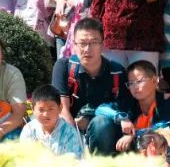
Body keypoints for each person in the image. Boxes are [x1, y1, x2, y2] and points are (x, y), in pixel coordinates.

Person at [50, 18, 128, 155]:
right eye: (82, 43)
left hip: (105, 132)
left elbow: (124, 111)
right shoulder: (63, 67)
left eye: (93, 43)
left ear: (102, 45)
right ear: (74, 45)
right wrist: (75, 135)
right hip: (72, 130)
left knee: (101, 123)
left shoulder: (117, 72)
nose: (87, 49)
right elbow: (62, 108)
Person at [118, 61, 170, 151]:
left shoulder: (167, 102)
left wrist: (133, 135)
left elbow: (165, 129)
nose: (135, 87)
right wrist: (121, 117)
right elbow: (101, 108)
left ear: (154, 81)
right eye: (131, 83)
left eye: (139, 81)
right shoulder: (130, 103)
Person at [20, 85, 85, 159]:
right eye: (41, 110)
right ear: (33, 109)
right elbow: (24, 157)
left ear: (60, 108)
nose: (46, 114)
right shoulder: (29, 129)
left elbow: (73, 160)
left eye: (51, 109)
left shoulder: (69, 133)